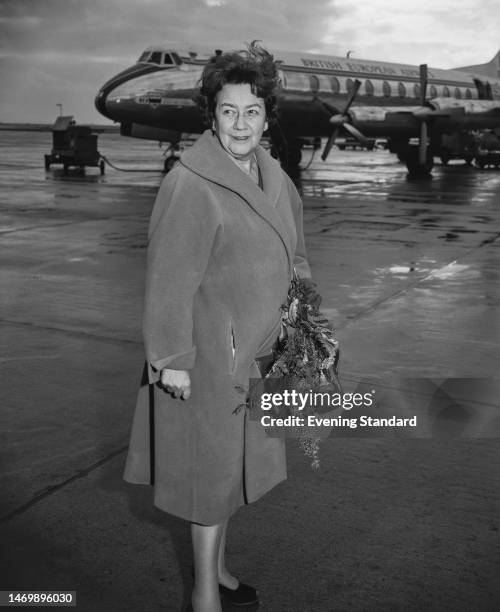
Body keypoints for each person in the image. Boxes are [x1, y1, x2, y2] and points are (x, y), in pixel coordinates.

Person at [123, 42, 312, 612]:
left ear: (266, 116)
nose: (240, 124)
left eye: (251, 111)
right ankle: (204, 598)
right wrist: (172, 359)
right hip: (209, 361)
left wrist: (304, 325)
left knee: (231, 474)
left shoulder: (272, 174)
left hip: (259, 355)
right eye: (228, 111)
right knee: (209, 483)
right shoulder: (192, 181)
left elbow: (296, 257)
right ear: (211, 115)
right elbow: (167, 280)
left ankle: (221, 572)